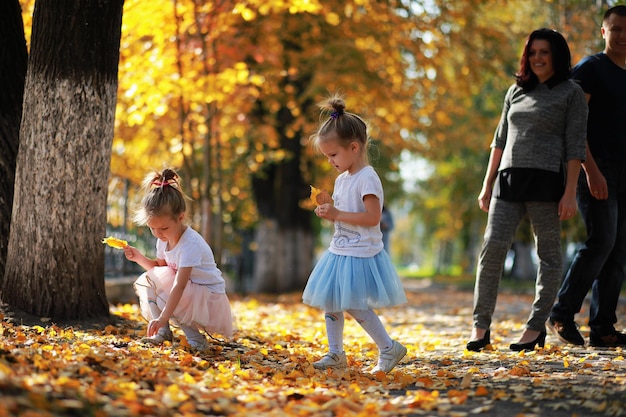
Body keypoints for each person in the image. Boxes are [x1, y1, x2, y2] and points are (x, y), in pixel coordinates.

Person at [466, 29, 587, 352]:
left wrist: (570, 191)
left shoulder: (570, 93)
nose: (537, 58)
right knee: (491, 250)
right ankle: (481, 326)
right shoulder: (515, 92)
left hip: (547, 183)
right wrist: (486, 184)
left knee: (548, 256)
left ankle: (536, 327)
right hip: (508, 180)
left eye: (544, 52)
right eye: (533, 52)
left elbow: (576, 146)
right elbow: (499, 141)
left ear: (556, 56)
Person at [302, 94, 408, 373]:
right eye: (327, 156)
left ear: (354, 147)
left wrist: (337, 214)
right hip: (340, 250)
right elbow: (344, 214)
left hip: (361, 253)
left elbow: (373, 218)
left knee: (354, 305)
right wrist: (329, 209)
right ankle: (335, 353)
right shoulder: (342, 179)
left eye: (333, 155)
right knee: (331, 302)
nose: (330, 162)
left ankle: (388, 348)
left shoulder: (368, 178)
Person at [548, 5, 626, 348]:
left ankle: (603, 327)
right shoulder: (591, 69)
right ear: (603, 31)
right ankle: (561, 314)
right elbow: (574, 125)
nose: (622, 36)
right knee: (601, 242)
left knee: (619, 249)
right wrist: (590, 171)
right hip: (596, 169)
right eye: (616, 29)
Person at [123, 168, 235, 350]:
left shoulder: (190, 244)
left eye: (164, 228)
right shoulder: (163, 239)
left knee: (164, 295)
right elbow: (159, 269)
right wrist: (138, 257)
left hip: (206, 295)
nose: (158, 234)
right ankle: (163, 332)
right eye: (153, 229)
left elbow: (179, 286)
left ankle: (196, 339)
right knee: (151, 282)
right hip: (185, 288)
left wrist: (162, 316)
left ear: (180, 218)